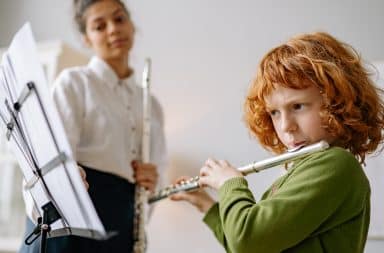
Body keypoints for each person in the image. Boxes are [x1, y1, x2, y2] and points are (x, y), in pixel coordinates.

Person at [171, 32, 384, 253]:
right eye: (274, 112)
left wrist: (230, 184)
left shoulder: (335, 164)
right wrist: (206, 205)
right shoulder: (305, 167)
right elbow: (248, 243)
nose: (285, 126)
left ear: (337, 102)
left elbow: (248, 241)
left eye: (298, 106)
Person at [19, 0, 167, 252]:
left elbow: (157, 175)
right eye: (99, 26)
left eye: (119, 19)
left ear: (131, 25)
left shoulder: (151, 104)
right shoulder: (74, 83)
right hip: (70, 223)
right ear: (86, 38)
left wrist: (153, 182)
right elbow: (48, 163)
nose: (113, 29)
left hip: (121, 227)